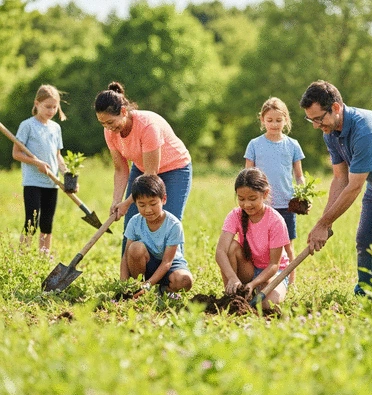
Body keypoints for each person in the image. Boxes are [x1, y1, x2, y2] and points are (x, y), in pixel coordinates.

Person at [300, 80, 372, 295]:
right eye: (311, 120)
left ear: (335, 107)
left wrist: (323, 223)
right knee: (364, 239)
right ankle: (365, 293)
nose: (317, 126)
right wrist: (324, 224)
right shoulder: (331, 132)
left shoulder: (366, 131)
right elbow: (340, 179)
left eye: (319, 118)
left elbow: (354, 187)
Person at [94, 82, 192, 253]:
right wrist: (117, 201)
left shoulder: (147, 126)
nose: (109, 128)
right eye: (103, 124)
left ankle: (173, 272)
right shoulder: (110, 131)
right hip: (142, 169)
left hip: (175, 169)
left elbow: (151, 175)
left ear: (123, 111)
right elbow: (120, 169)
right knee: (132, 219)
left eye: (110, 122)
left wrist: (126, 203)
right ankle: (129, 276)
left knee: (167, 220)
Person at [244, 97, 305, 284]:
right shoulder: (254, 144)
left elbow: (299, 176)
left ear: (286, 120)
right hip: (260, 205)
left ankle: (291, 283)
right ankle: (259, 278)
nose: (274, 124)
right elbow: (247, 175)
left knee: (287, 246)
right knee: (259, 245)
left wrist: (303, 194)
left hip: (286, 204)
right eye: (269, 120)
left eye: (279, 120)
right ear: (262, 120)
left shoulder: (292, 145)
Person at [215, 167, 290, 310]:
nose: (246, 205)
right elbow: (220, 252)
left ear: (265, 193)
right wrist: (233, 277)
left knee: (266, 305)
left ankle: (253, 290)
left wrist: (254, 284)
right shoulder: (235, 215)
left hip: (273, 272)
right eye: (241, 199)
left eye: (252, 198)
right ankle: (232, 295)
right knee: (231, 247)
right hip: (249, 268)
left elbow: (274, 265)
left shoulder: (275, 221)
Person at [12, 84, 68, 253]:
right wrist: (37, 163)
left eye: (54, 107)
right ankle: (22, 256)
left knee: (47, 223)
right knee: (32, 221)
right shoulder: (27, 125)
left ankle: (44, 257)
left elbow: (58, 156)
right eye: (47, 106)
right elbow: (16, 153)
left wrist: (68, 173)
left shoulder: (55, 128)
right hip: (33, 182)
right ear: (37, 103)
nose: (51, 111)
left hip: (52, 182)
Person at [120, 174, 193, 298]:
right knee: (134, 248)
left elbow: (167, 262)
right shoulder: (134, 222)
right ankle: (138, 287)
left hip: (170, 265)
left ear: (163, 199)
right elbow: (126, 256)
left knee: (185, 280)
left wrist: (148, 285)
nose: (148, 210)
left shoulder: (173, 225)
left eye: (153, 204)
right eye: (142, 205)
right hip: (147, 264)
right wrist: (123, 284)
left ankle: (164, 289)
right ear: (136, 203)